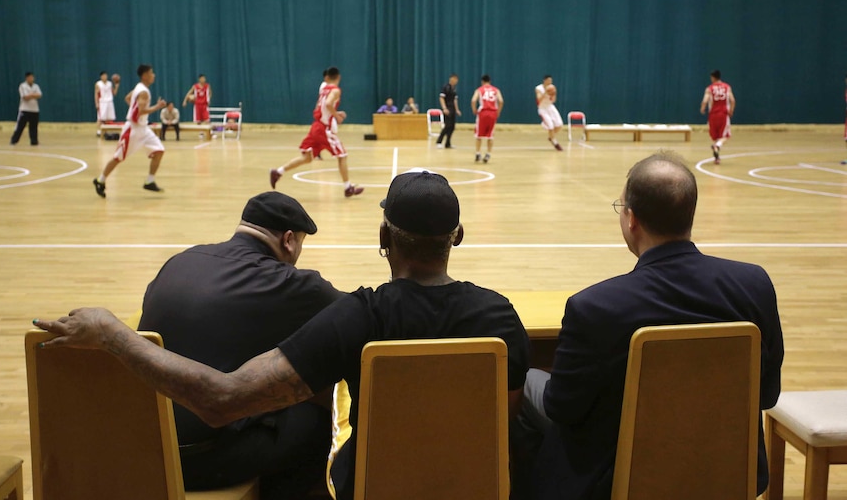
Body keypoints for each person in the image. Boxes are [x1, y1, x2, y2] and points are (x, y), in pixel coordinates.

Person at [34, 168, 530, 500]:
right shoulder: (501, 319)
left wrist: (109, 331)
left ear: (383, 238)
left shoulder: (360, 317)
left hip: (373, 485)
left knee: (311, 411)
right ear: (457, 237)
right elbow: (502, 422)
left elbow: (222, 399)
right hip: (479, 484)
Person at [515, 151, 784, 500]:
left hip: (619, 482)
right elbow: (767, 394)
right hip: (728, 469)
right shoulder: (755, 284)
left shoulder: (594, 307)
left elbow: (562, 408)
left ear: (631, 220)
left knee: (526, 382)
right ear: (690, 213)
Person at [138, 191, 343, 497]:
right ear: (288, 240)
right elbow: (357, 319)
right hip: (202, 459)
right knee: (320, 422)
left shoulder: (179, 261)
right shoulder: (293, 284)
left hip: (144, 446)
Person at [269, 67, 364, 198]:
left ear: (327, 77)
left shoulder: (324, 89)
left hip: (316, 126)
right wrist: (336, 116)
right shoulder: (335, 90)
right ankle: (348, 187)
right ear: (338, 77)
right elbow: (329, 104)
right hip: (324, 129)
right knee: (342, 155)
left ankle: (278, 171)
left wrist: (333, 114)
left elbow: (319, 106)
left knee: (307, 158)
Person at [92, 64, 167, 198]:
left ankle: (149, 181)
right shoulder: (143, 92)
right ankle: (100, 180)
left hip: (143, 128)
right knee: (118, 158)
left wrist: (135, 108)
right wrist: (157, 106)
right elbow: (140, 111)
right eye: (151, 73)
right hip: (133, 130)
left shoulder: (139, 88)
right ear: (145, 75)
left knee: (159, 150)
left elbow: (128, 99)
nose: (154, 75)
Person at [699, 69, 735, 164]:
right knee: (725, 136)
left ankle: (717, 157)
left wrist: (702, 108)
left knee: (715, 137)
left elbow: (705, 101)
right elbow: (732, 100)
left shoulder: (709, 88)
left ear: (713, 77)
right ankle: (717, 146)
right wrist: (731, 110)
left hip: (713, 115)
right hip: (723, 114)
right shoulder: (727, 87)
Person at [471, 75, 504, 163]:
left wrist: (474, 109)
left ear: (482, 81)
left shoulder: (479, 90)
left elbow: (473, 100)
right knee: (490, 135)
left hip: (483, 112)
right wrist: (498, 111)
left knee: (479, 135)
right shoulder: (496, 90)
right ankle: (488, 154)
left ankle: (478, 153)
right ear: (490, 81)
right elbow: (501, 101)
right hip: (493, 113)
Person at [10, 72, 42, 146]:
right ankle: (14, 140)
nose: (31, 79)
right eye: (30, 77)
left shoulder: (36, 86)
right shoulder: (22, 86)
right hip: (24, 110)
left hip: (34, 110)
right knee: (20, 126)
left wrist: (31, 95)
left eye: (32, 77)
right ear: (27, 78)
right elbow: (25, 97)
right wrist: (33, 95)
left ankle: (34, 141)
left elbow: (39, 95)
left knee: (33, 127)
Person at [535, 75, 563, 151]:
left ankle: (551, 137)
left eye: (551, 81)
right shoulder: (538, 88)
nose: (550, 82)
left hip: (550, 107)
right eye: (549, 80)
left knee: (559, 125)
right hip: (542, 109)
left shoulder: (552, 87)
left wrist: (554, 93)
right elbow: (539, 100)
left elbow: (553, 100)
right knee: (550, 126)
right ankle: (555, 143)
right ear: (544, 80)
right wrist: (545, 93)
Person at [437, 74, 461, 148]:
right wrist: (444, 108)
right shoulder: (446, 87)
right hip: (447, 108)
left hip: (453, 109)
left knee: (452, 127)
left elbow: (455, 100)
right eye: (455, 79)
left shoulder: (454, 89)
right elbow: (441, 98)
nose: (456, 81)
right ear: (451, 79)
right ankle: (439, 142)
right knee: (447, 126)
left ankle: (448, 143)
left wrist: (457, 109)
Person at [94, 71, 119, 137]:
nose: (105, 77)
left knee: (109, 118)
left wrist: (116, 86)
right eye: (103, 75)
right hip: (102, 102)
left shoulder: (110, 83)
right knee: (100, 118)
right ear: (101, 77)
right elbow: (96, 94)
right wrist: (96, 103)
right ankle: (99, 131)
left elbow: (114, 93)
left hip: (109, 102)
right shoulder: (98, 84)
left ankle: (107, 131)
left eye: (106, 75)